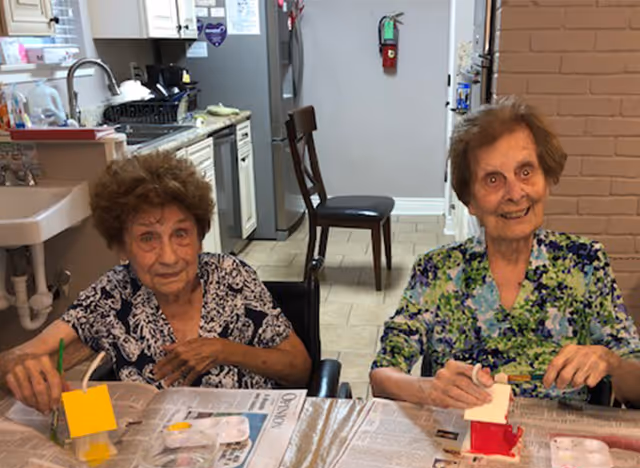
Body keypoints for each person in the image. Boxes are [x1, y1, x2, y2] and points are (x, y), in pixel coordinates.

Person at [371, 97, 640, 409]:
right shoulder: (437, 271)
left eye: (526, 172)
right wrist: (427, 389)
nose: (515, 193)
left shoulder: (585, 263)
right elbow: (381, 375)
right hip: (462, 446)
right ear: (470, 199)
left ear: (546, 180)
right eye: (493, 179)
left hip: (559, 450)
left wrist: (611, 363)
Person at [1, 151, 311, 414]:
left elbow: (300, 369)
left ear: (199, 237)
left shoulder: (232, 277)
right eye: (148, 238)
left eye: (180, 234)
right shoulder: (112, 295)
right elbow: (24, 355)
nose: (169, 257)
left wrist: (222, 350)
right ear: (122, 247)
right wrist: (19, 366)